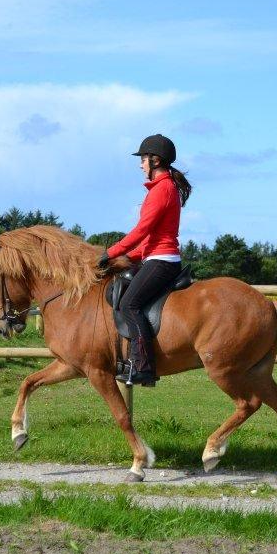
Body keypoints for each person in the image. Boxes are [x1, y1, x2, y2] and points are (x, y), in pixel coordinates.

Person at [98, 134, 192, 386]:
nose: (140, 165)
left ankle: (143, 366)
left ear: (155, 160)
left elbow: (142, 231)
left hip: (162, 260)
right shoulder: (163, 188)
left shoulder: (162, 189)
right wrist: (127, 257)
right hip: (156, 255)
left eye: (143, 159)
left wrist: (112, 252)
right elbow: (149, 239)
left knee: (130, 304)